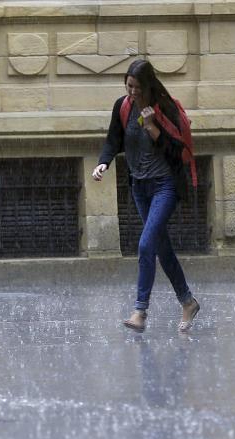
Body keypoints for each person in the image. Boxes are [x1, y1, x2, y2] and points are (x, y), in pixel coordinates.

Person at [92, 59, 200, 332]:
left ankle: (140, 311)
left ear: (148, 85)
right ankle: (188, 302)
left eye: (137, 88)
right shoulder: (123, 107)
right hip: (139, 187)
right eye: (129, 86)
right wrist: (103, 162)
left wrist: (152, 127)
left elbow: (178, 152)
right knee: (161, 248)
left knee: (145, 245)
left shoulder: (167, 109)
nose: (132, 93)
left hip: (165, 185)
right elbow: (113, 139)